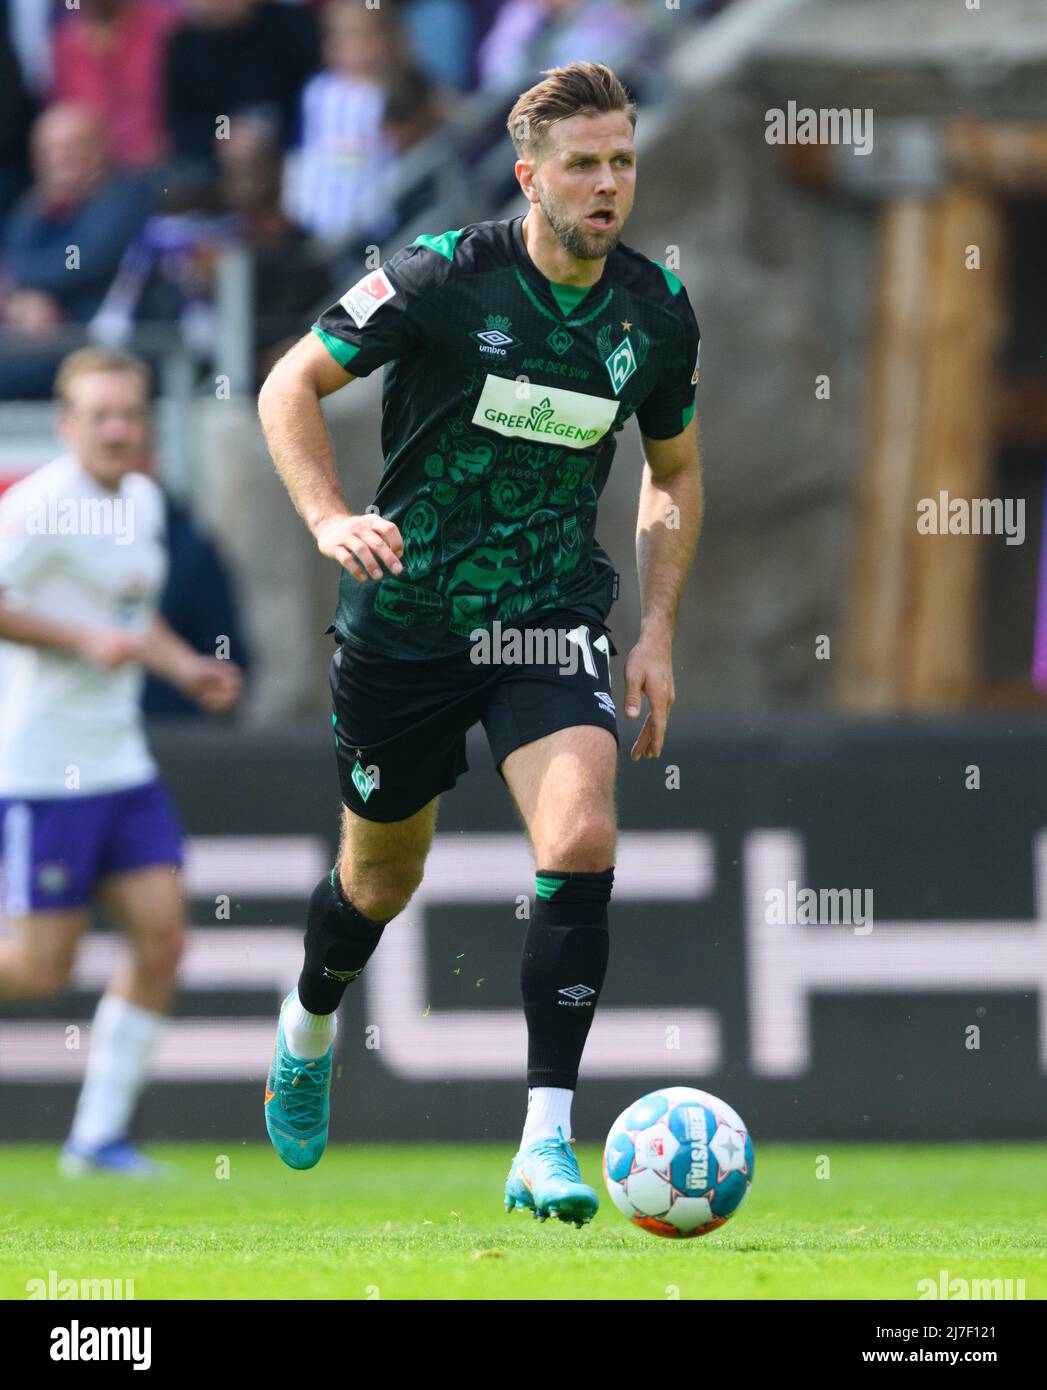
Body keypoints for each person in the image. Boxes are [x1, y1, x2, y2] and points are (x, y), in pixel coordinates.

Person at [257, 62, 702, 1226]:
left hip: (549, 613)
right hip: (406, 624)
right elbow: (288, 383)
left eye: (622, 162)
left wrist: (654, 626)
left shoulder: (655, 311)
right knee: (377, 881)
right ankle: (306, 1026)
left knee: (584, 829)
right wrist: (327, 516)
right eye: (583, 165)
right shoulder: (442, 275)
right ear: (529, 176)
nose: (608, 185)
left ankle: (544, 1142)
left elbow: (675, 472)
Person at [0, 347, 242, 1174]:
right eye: (99, 415)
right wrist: (80, 641)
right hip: (41, 767)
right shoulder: (37, 508)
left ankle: (96, 1137)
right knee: (38, 970)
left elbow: (131, 614)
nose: (116, 429)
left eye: (129, 414)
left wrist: (184, 667)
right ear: (67, 425)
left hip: (121, 762)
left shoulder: (140, 501)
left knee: (164, 941)